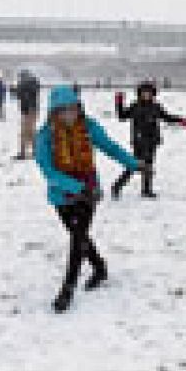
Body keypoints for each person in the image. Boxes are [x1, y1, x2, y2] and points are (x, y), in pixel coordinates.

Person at [34, 85, 145, 313]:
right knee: (80, 234)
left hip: (89, 190)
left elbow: (110, 148)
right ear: (53, 111)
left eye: (73, 109)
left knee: (77, 237)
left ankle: (68, 288)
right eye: (62, 110)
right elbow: (48, 171)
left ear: (79, 108)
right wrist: (75, 187)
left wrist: (134, 163)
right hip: (62, 194)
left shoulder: (89, 127)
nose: (68, 115)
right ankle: (100, 267)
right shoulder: (44, 136)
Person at [111, 81, 186, 199]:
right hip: (139, 140)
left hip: (152, 140)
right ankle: (117, 186)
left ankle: (146, 190)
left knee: (148, 165)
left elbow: (167, 117)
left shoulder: (156, 107)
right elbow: (122, 116)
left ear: (153, 93)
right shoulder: (135, 106)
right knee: (135, 165)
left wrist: (181, 120)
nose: (146, 95)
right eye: (144, 92)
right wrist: (119, 103)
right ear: (140, 93)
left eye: (148, 92)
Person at [13, 70, 41, 160]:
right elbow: (20, 95)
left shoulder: (26, 86)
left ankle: (24, 152)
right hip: (30, 111)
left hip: (29, 111)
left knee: (26, 132)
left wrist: (17, 89)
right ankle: (34, 151)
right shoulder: (32, 85)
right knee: (30, 132)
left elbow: (21, 96)